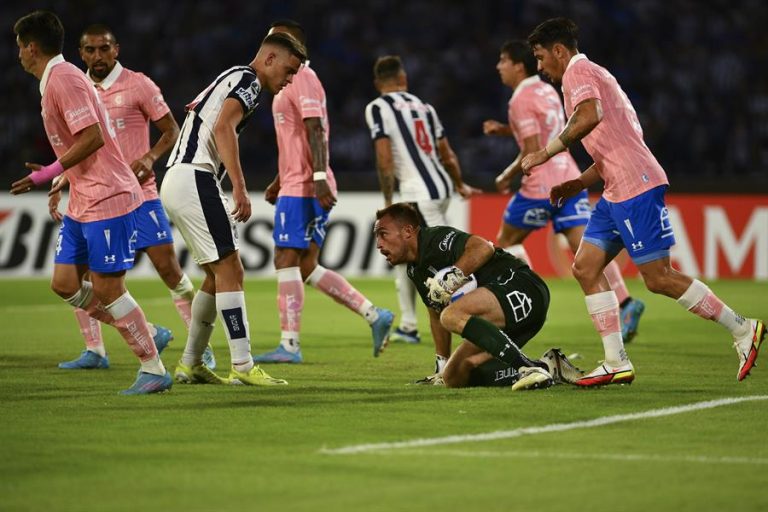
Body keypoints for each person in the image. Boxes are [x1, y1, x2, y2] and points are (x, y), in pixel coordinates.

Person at [521, 17, 764, 385]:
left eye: (540, 57)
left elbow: (590, 116)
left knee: (658, 277)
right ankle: (615, 361)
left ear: (559, 51)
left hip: (636, 185)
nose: (540, 67)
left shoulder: (578, 72)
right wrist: (577, 183)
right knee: (585, 267)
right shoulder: (598, 77)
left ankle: (742, 328)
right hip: (615, 188)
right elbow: (615, 144)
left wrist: (546, 152)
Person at [11, 10, 171, 394]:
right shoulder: (57, 80)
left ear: (31, 48)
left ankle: (153, 368)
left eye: (19, 47)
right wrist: (63, 177)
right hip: (84, 199)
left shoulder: (64, 79)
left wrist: (49, 173)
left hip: (108, 196)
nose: (17, 55)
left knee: (109, 289)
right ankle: (147, 331)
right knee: (65, 283)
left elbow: (93, 137)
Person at [50, 24, 217, 370]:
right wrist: (63, 177)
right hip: (95, 197)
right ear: (80, 54)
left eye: (104, 48)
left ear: (117, 49)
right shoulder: (77, 88)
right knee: (84, 276)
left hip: (141, 194)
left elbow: (172, 129)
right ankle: (95, 351)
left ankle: (200, 345)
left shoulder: (138, 84)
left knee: (168, 269)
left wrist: (150, 157)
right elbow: (78, 144)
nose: (98, 56)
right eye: (90, 50)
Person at [160, 31, 308, 385]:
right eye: (288, 70)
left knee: (216, 276)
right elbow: (223, 125)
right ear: (269, 59)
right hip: (195, 176)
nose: (289, 80)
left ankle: (191, 362)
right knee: (231, 269)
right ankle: (242, 365)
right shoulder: (249, 80)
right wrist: (239, 187)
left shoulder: (232, 76)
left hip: (178, 178)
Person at [251, 20, 394, 364]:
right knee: (305, 266)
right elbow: (296, 138)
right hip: (296, 182)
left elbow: (315, 129)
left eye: (277, 35)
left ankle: (289, 345)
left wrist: (317, 177)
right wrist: (279, 179)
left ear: (293, 42)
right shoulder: (288, 81)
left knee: (285, 259)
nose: (270, 40)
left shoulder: (303, 77)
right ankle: (374, 314)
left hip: (305, 186)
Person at [483, 40, 645, 343]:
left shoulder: (519, 99)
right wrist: (505, 129)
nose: (498, 67)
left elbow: (531, 148)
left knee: (504, 244)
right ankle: (625, 303)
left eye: (503, 61)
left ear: (518, 66)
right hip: (568, 178)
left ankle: (527, 303)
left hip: (539, 186)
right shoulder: (546, 90)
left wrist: (506, 175)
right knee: (587, 250)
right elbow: (548, 127)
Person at [374, 203, 583, 389]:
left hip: (523, 287)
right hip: (499, 318)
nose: (378, 245)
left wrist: (453, 276)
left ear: (408, 231)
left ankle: (526, 368)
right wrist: (441, 365)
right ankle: (547, 366)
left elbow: (483, 247)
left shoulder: (435, 239)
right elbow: (435, 314)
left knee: (451, 315)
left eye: (383, 234)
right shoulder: (414, 270)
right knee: (454, 376)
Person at [364, 55, 480, 379]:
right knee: (410, 261)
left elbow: (384, 157)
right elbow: (447, 153)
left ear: (378, 83)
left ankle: (471, 327)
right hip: (441, 188)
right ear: (404, 79)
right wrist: (459, 183)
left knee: (434, 266)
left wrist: (389, 201)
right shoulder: (425, 107)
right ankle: (410, 324)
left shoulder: (378, 107)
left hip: (416, 193)